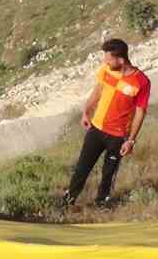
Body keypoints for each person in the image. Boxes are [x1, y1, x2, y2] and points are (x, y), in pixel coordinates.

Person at [64, 38, 151, 207]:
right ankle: (69, 200)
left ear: (121, 59)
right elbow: (98, 90)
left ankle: (102, 203)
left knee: (108, 173)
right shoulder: (106, 70)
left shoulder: (142, 82)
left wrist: (131, 140)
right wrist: (86, 111)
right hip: (96, 128)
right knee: (82, 167)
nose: (105, 62)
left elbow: (141, 112)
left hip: (118, 136)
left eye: (108, 59)